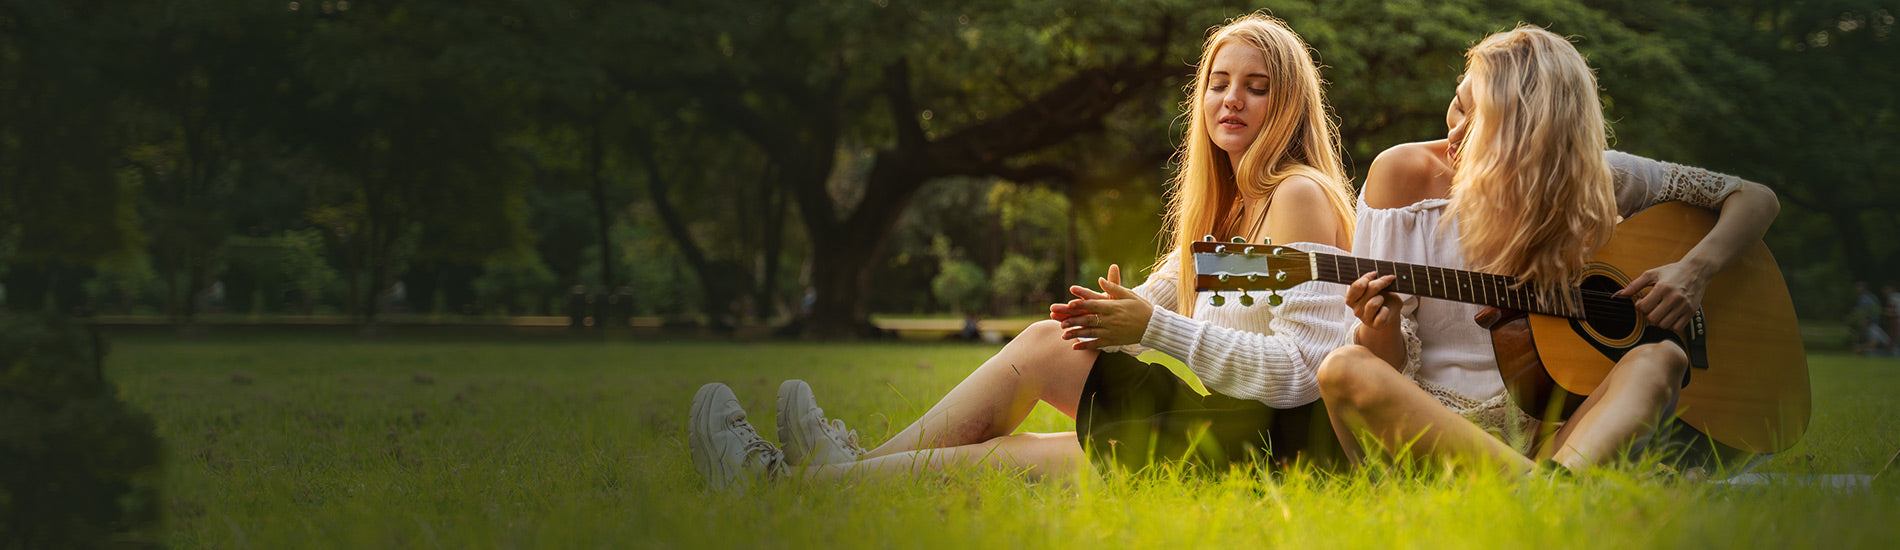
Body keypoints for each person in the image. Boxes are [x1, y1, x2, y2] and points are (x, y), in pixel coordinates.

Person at [686, 13, 1358, 490]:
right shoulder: (1235, 203)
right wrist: (1108, 316)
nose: (1231, 99)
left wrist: (1151, 329)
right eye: (1218, 81)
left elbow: (1304, 373)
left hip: (1270, 454)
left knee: (1008, 458)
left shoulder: (1296, 195)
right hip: (1227, 428)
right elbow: (1169, 291)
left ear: (1289, 101)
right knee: (1046, 344)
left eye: (1256, 85)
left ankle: (787, 487)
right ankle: (844, 469)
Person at [1314, 25, 1783, 474]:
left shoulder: (1592, 178)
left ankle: (1543, 487)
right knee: (1344, 366)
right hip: (1438, 436)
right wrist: (1381, 324)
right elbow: (1387, 365)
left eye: (1481, 126)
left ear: (1535, 136)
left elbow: (1754, 198)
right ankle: (1551, 493)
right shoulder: (1402, 175)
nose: (1455, 136)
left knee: (1663, 359)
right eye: (1458, 107)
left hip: (1562, 434)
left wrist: (1694, 272)